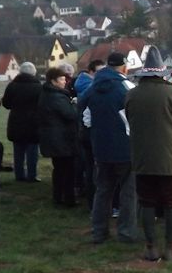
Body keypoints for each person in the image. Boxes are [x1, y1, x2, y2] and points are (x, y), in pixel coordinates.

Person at [126, 46, 172, 261]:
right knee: (171, 201)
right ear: (161, 73)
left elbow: (130, 119)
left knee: (146, 201)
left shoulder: (131, 94)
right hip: (171, 157)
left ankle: (150, 247)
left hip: (143, 157)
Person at [79, 52, 138, 244]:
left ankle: (99, 232)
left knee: (103, 190)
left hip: (101, 147)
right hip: (125, 148)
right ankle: (126, 233)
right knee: (128, 193)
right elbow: (135, 118)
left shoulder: (93, 86)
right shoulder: (127, 87)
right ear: (124, 67)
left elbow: (85, 116)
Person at [37, 67, 79, 206]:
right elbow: (70, 115)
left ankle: (58, 197)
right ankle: (67, 199)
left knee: (59, 169)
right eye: (61, 79)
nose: (64, 82)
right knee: (67, 170)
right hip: (61, 138)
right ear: (53, 81)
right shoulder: (57, 97)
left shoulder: (47, 93)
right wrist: (74, 105)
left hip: (54, 137)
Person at [2, 62, 42, 182]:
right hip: (33, 122)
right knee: (32, 151)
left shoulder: (12, 86)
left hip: (16, 121)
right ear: (34, 72)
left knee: (18, 150)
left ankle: (19, 175)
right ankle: (32, 175)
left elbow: (6, 104)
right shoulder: (38, 87)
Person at [74, 59, 106, 207]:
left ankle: (91, 198)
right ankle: (93, 200)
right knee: (93, 167)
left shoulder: (87, 85)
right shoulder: (90, 87)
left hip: (86, 130)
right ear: (91, 72)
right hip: (89, 130)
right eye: (99, 71)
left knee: (90, 166)